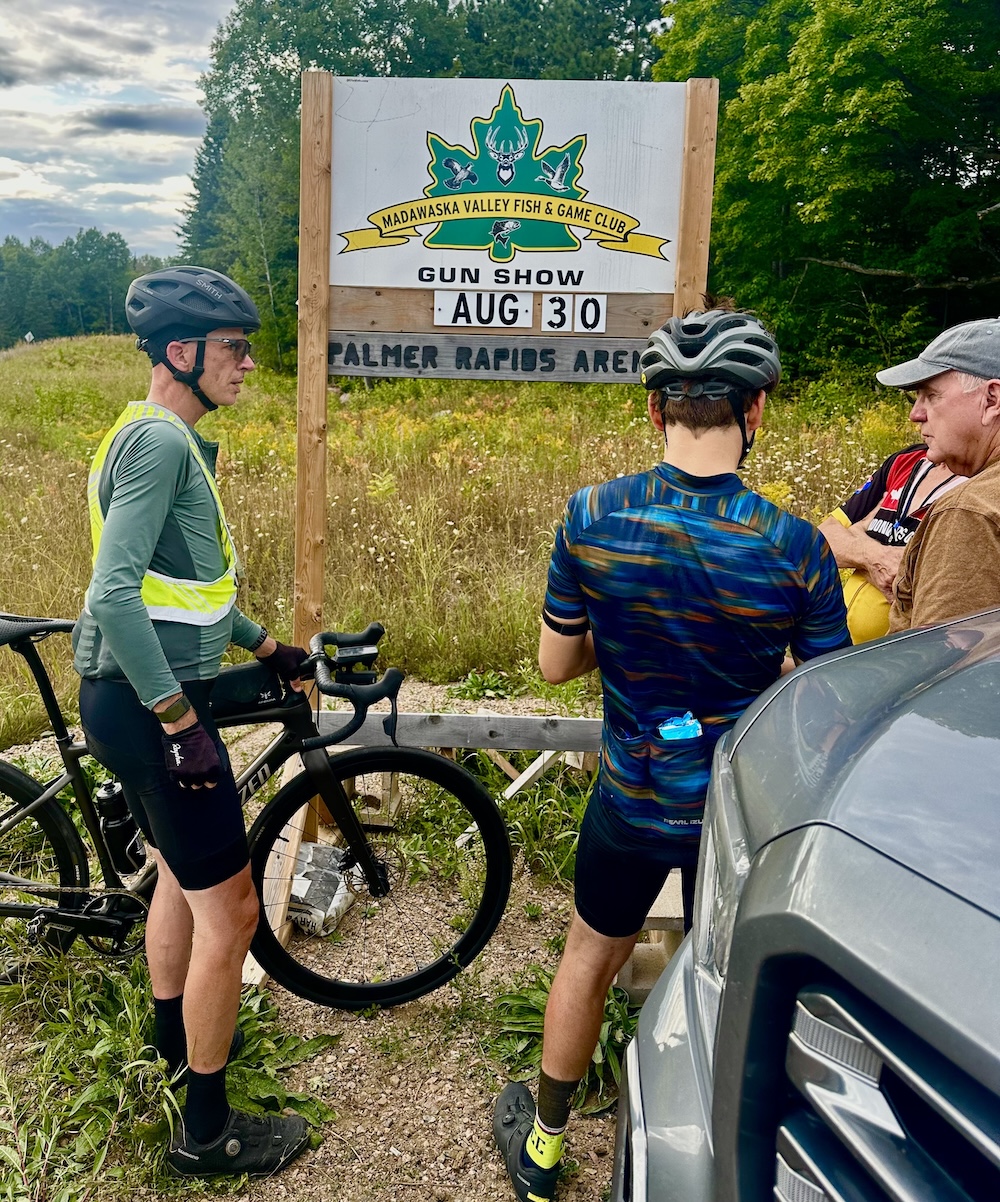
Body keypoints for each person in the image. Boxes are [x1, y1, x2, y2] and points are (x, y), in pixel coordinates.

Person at [491, 307, 850, 1202]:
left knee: (589, 951)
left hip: (631, 793)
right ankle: (718, 1160)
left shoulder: (593, 515)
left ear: (656, 411)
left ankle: (542, 1145)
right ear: (756, 409)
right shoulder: (794, 545)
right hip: (736, 814)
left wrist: (632, 635)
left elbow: (556, 663)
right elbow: (823, 699)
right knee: (720, 976)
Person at [74, 266, 311, 1178]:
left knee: (180, 874)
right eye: (235, 348)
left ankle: (179, 1052)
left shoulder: (149, 433)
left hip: (134, 697)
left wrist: (261, 644)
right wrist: (181, 720)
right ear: (184, 352)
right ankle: (207, 1133)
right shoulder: (163, 444)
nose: (249, 363)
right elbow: (116, 595)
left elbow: (184, 586)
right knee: (236, 910)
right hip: (149, 703)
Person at [875, 317, 1000, 632]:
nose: (915, 414)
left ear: (992, 399)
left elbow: (941, 668)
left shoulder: (969, 513)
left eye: (931, 395)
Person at [819, 444, 965, 642]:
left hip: (896, 660)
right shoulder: (907, 459)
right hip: (836, 648)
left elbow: (924, 583)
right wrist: (874, 558)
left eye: (934, 410)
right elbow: (822, 538)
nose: (916, 416)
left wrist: (858, 536)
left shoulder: (980, 489)